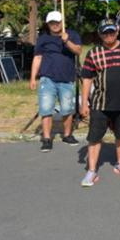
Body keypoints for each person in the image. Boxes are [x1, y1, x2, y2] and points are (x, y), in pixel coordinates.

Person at [79, 19, 120, 186]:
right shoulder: (94, 53)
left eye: (111, 31)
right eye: (105, 32)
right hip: (100, 102)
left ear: (117, 31)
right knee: (95, 137)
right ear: (100, 34)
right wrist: (84, 103)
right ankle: (91, 171)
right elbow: (87, 78)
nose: (109, 35)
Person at [30, 11, 82, 152]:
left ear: (62, 22)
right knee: (46, 109)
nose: (55, 25)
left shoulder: (72, 34)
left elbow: (78, 51)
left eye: (57, 22)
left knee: (67, 109)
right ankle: (47, 139)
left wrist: (67, 41)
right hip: (47, 79)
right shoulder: (43, 38)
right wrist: (33, 77)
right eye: (52, 22)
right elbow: (38, 58)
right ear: (48, 24)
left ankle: (67, 135)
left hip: (66, 78)